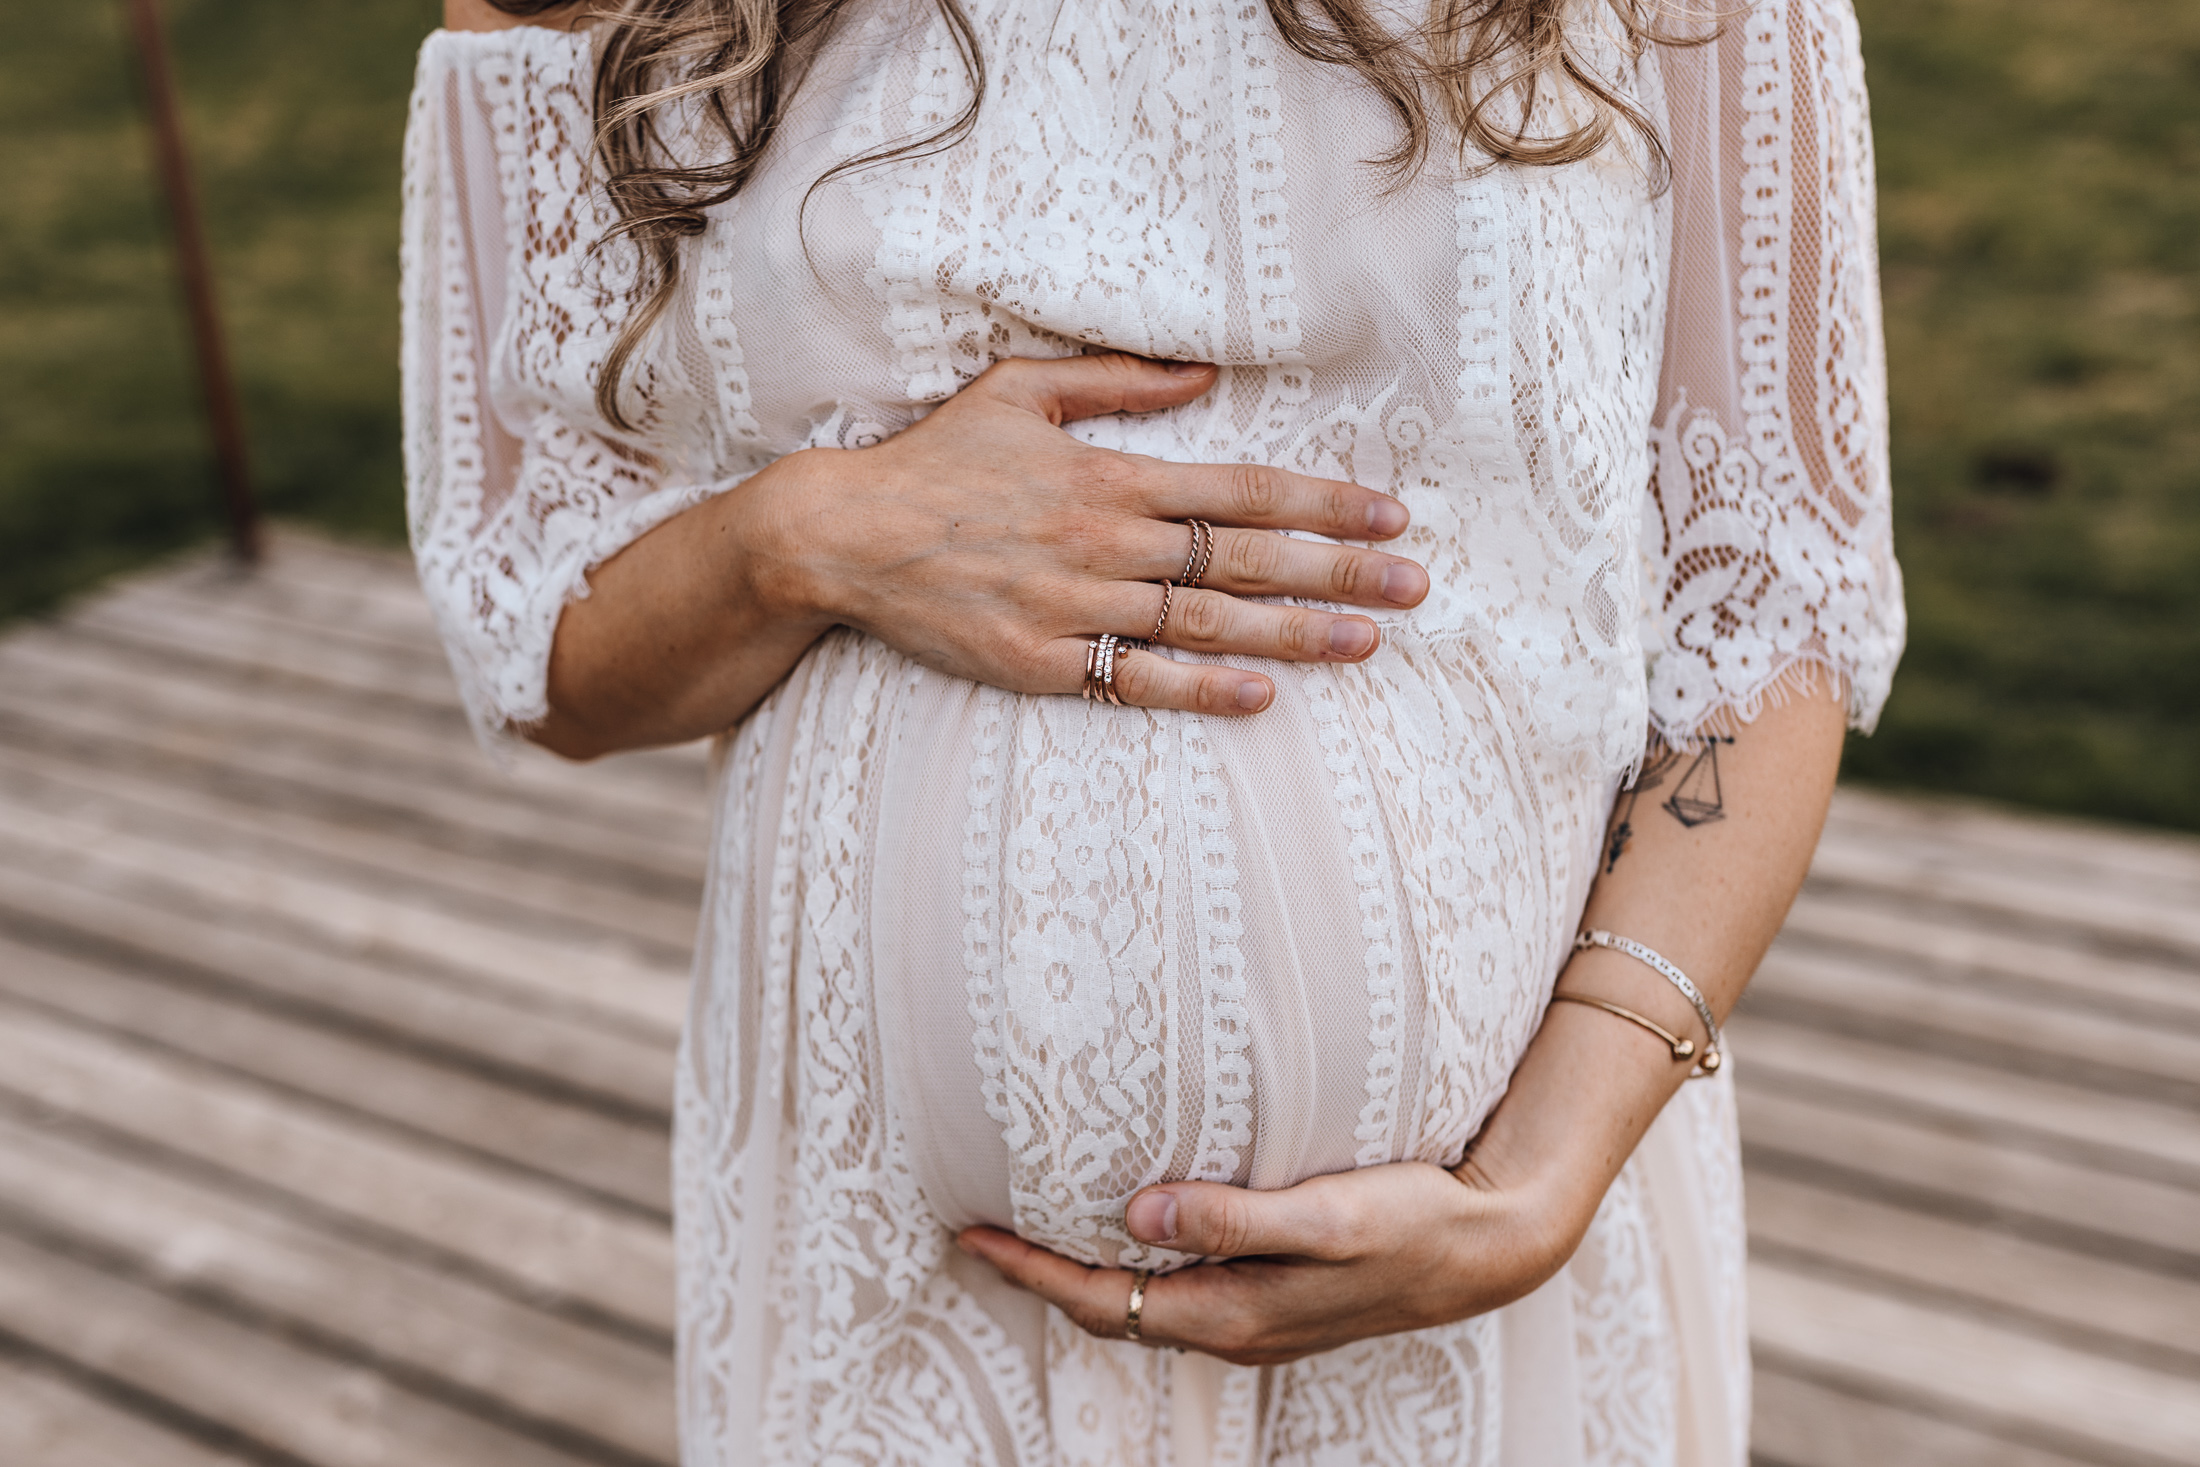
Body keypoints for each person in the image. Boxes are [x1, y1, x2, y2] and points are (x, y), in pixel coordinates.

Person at [404, 0, 1903, 1459]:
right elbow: (546, 642)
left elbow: (1774, 602)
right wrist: (802, 536)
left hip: (1471, 1293)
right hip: (906, 1297)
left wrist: (1542, 1175)